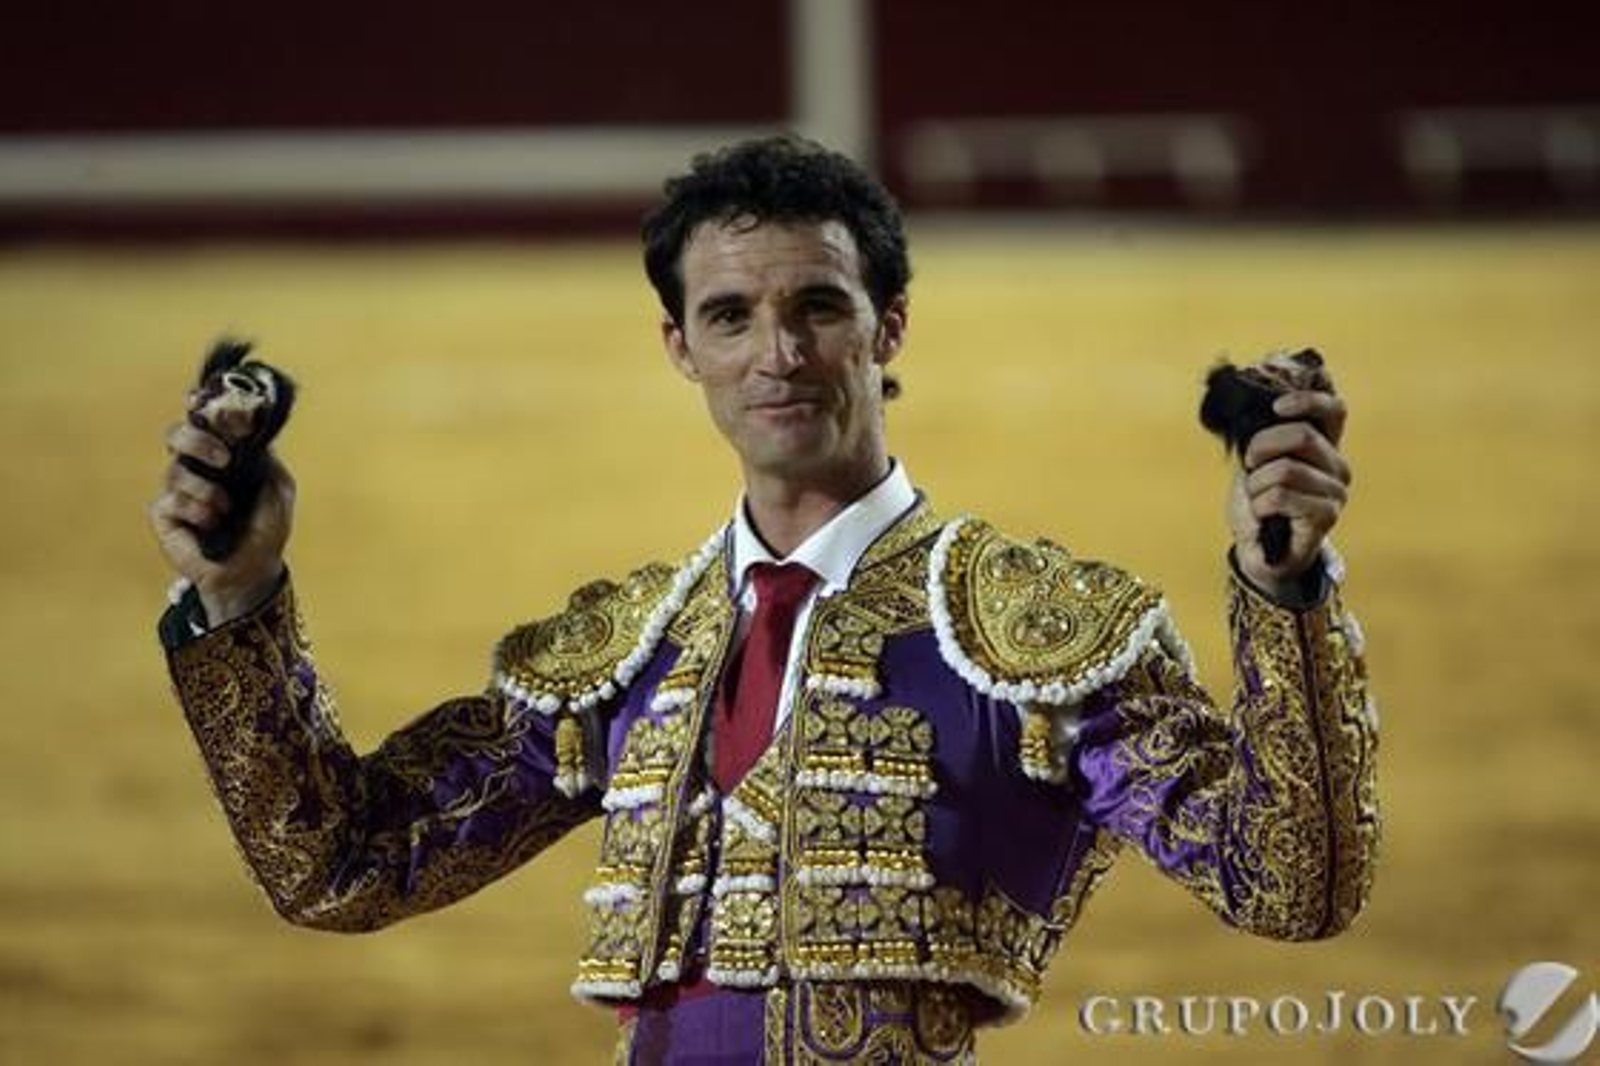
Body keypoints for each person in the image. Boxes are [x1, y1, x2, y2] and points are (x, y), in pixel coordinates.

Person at [150, 135, 1378, 1064]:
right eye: (730, 316)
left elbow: (1289, 881)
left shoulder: (1029, 636)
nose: (776, 355)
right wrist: (242, 593)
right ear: (679, 347)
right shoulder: (622, 656)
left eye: (818, 307)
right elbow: (346, 864)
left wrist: (1282, 591)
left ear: (887, 325)